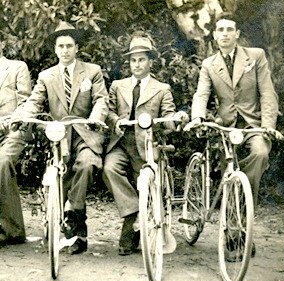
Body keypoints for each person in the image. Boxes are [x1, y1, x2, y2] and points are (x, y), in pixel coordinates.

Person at [12, 21, 109, 254]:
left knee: (86, 165)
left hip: (85, 133)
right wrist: (24, 116)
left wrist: (96, 118)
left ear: (77, 48)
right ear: (55, 49)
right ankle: (73, 231)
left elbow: (101, 99)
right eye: (61, 46)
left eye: (69, 46)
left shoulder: (92, 71)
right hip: (59, 135)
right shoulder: (47, 76)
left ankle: (72, 213)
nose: (65, 50)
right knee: (59, 174)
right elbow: (34, 101)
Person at [102, 33, 188, 255]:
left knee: (147, 182)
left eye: (141, 59)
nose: (137, 64)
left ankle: (131, 231)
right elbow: (109, 111)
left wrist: (178, 118)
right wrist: (115, 121)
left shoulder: (162, 89)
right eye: (133, 60)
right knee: (109, 168)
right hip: (121, 143)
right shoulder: (118, 86)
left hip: (147, 145)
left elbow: (168, 118)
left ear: (151, 62)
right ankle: (134, 213)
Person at [184, 13, 281, 207]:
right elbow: (202, 94)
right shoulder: (209, 64)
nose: (225, 34)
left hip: (253, 125)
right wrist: (197, 118)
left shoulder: (255, 56)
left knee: (260, 153)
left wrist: (267, 125)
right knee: (226, 171)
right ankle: (231, 222)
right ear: (214, 35)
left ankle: (244, 202)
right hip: (225, 128)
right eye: (220, 30)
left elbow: (268, 93)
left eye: (229, 29)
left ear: (237, 34)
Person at [0, 32, 32, 246]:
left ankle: (12, 229)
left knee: (1, 163)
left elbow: (26, 102)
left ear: (2, 43)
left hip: (13, 129)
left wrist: (8, 121)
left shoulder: (17, 67)